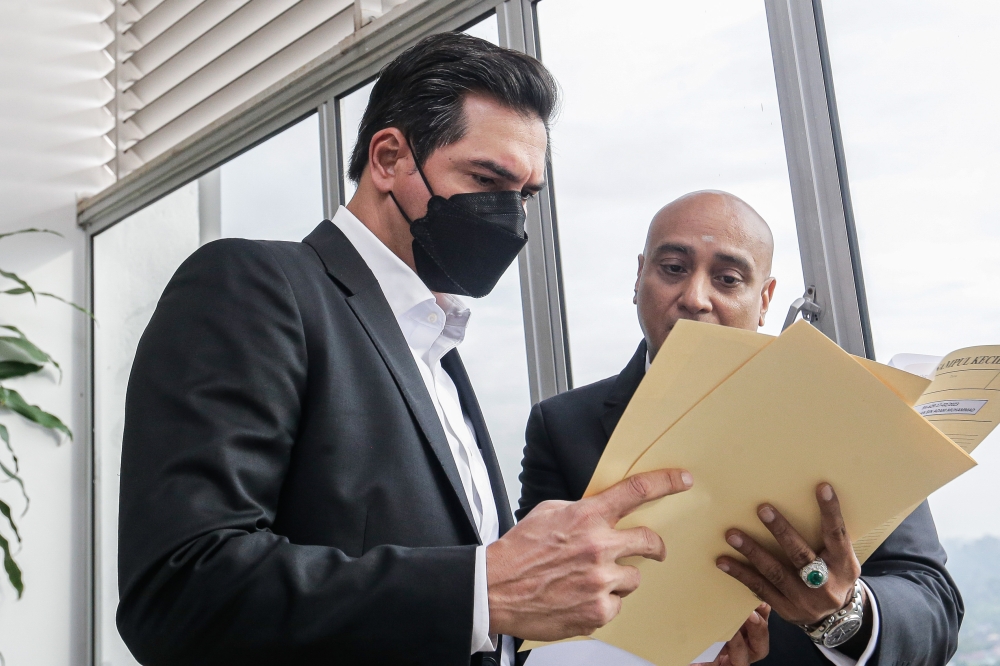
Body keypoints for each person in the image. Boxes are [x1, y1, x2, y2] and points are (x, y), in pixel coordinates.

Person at [116, 33, 702, 666]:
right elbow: (178, 591)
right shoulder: (255, 285)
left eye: (526, 195)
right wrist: (482, 589)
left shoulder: (437, 353)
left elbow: (489, 621)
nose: (510, 217)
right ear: (389, 157)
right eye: (486, 178)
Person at [517, 190, 964, 666]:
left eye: (727, 279)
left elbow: (933, 605)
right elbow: (526, 615)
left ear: (765, 299)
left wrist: (842, 614)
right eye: (672, 269)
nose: (694, 299)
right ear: (639, 277)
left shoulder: (850, 412)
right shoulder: (562, 427)